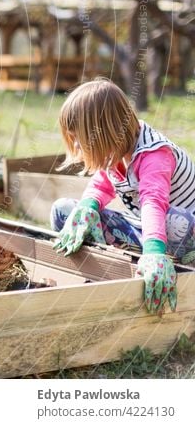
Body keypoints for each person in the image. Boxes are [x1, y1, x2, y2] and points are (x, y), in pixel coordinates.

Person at [50, 78, 195, 314]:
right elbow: (103, 183)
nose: (76, 144)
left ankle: (165, 268)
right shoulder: (116, 150)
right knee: (65, 211)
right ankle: (103, 275)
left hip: (181, 237)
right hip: (146, 232)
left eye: (79, 137)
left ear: (102, 131)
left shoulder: (154, 154)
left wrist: (155, 252)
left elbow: (153, 203)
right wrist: (87, 207)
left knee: (174, 221)